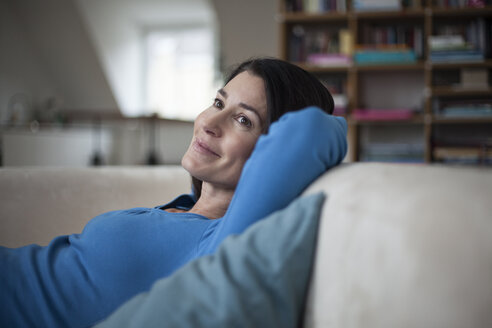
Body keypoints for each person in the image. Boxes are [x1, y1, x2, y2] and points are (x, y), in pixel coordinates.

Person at [0, 57, 348, 328]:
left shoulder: (223, 240)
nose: (209, 124)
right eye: (217, 102)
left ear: (270, 149)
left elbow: (312, 130)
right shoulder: (185, 210)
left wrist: (332, 112)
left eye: (243, 120)